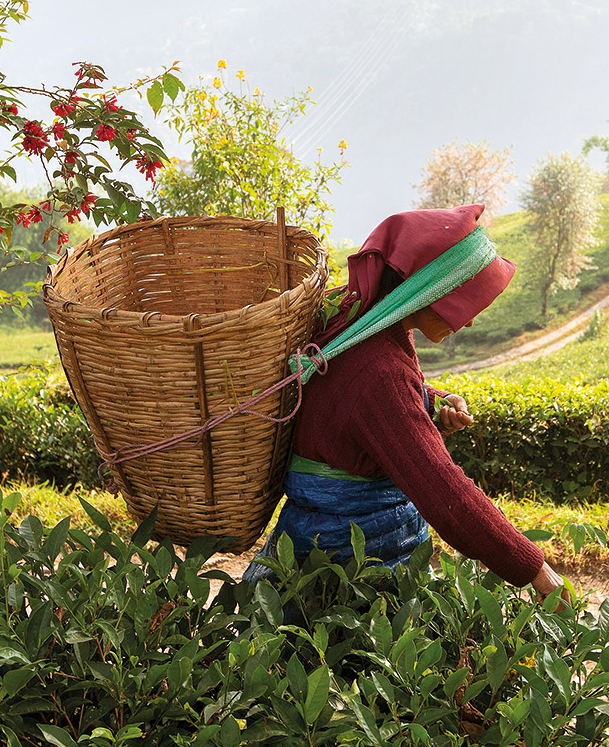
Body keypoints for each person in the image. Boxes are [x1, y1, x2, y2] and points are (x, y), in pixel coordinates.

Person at [241, 204, 565, 604]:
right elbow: (442, 489)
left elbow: (358, 403)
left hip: (312, 533)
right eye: (464, 305)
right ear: (430, 291)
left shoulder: (358, 315)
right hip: (351, 558)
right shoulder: (380, 370)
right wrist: (533, 568)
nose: (468, 322)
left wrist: (431, 401)